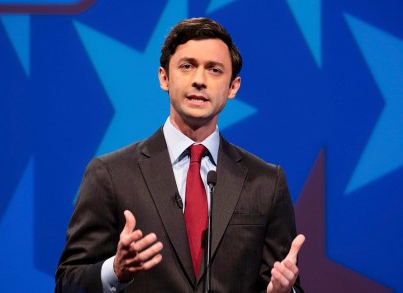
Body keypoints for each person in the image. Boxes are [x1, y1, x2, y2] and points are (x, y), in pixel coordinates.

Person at [55, 17, 305, 293]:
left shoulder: (266, 183)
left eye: (214, 70)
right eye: (187, 66)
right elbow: (67, 283)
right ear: (164, 77)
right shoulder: (111, 174)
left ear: (233, 87)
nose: (199, 80)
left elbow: (284, 283)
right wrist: (115, 271)